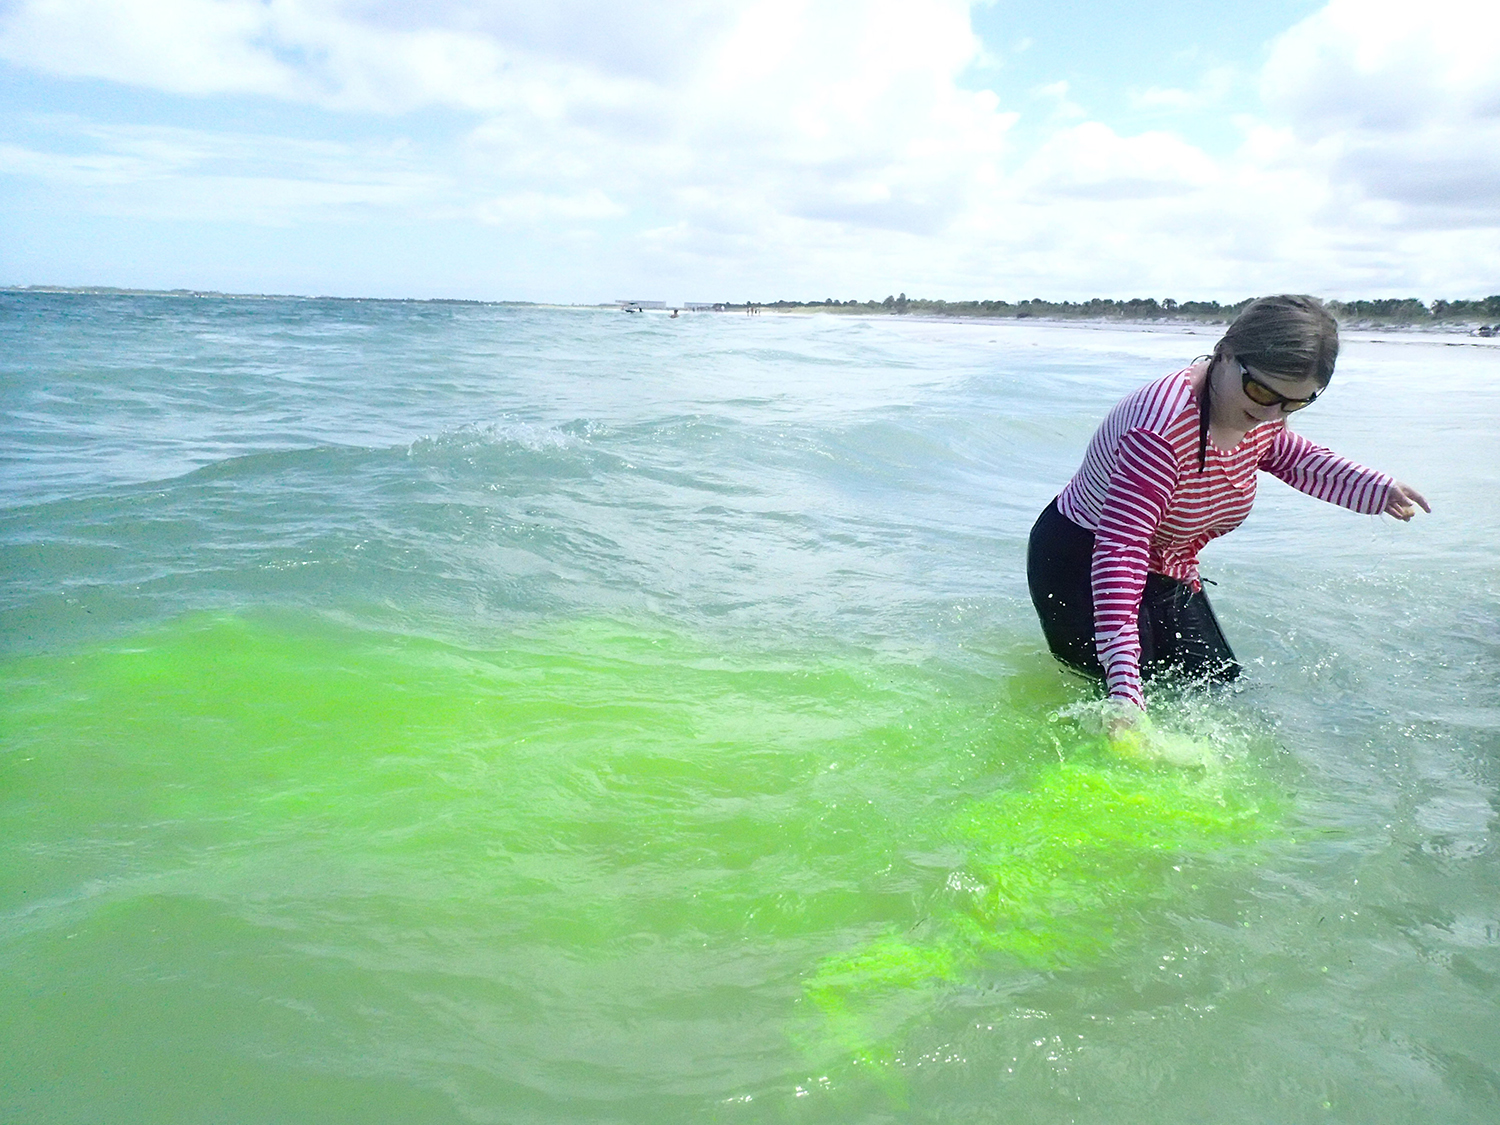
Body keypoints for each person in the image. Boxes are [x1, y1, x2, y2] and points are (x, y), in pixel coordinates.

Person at [1026, 294, 1428, 724]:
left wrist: (1375, 488)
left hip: (1165, 561)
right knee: (1120, 703)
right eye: (1261, 391)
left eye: (1295, 404)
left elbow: (1285, 452)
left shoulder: (1254, 410)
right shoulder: (1159, 432)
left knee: (1217, 689)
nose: (1271, 414)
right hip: (1083, 560)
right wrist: (1123, 687)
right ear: (1226, 352)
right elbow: (1121, 550)